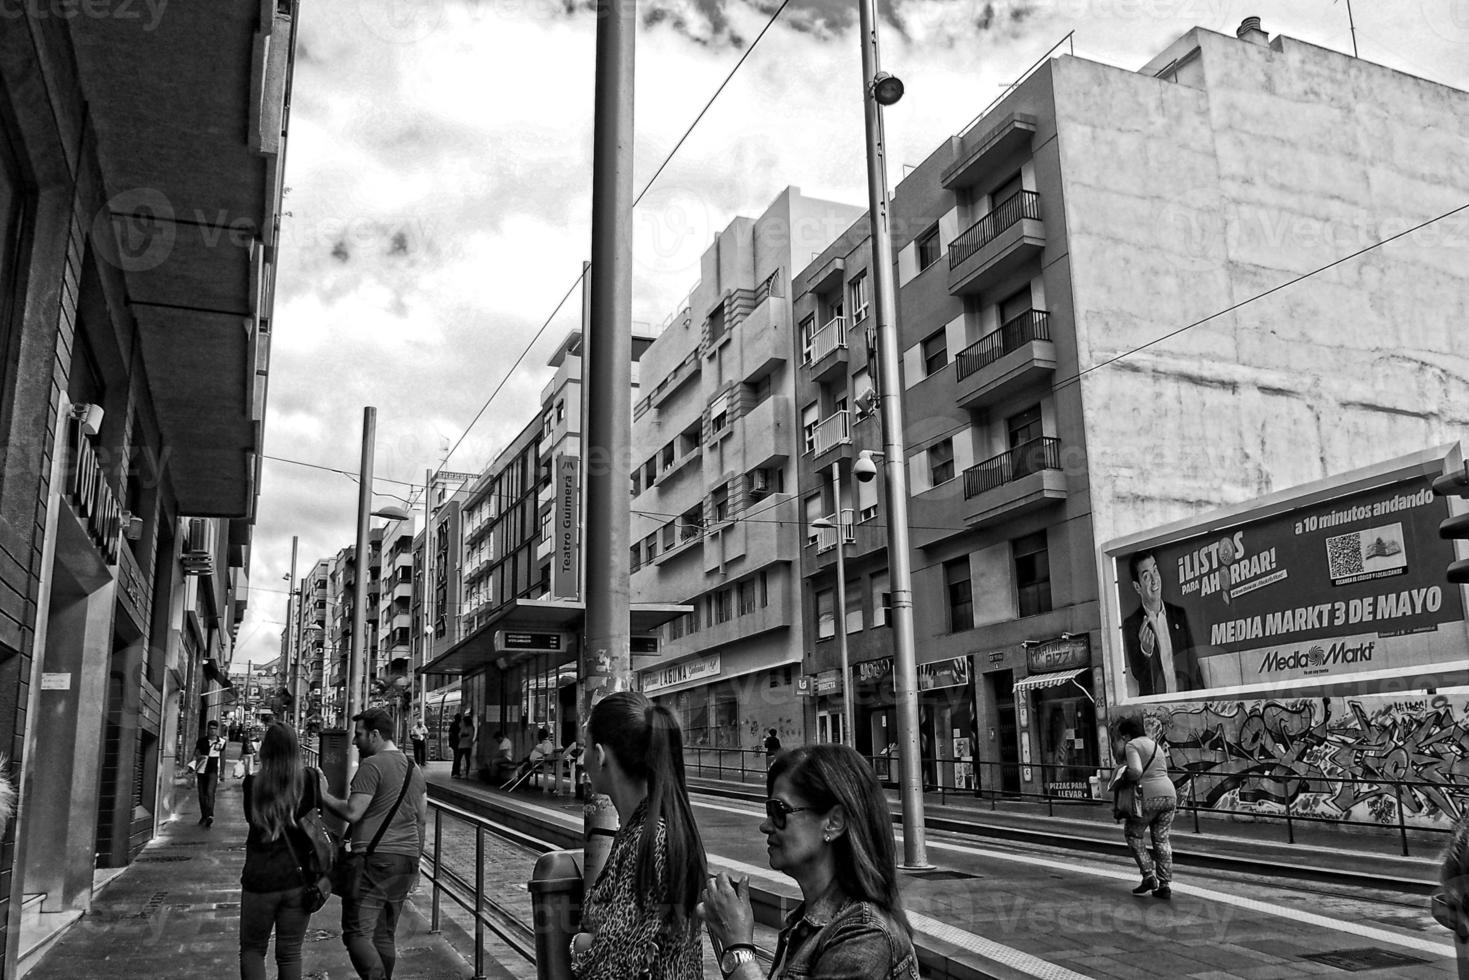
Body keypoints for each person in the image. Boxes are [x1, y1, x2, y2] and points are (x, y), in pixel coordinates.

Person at [702, 744, 918, 979]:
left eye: (778, 811)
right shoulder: (806, 923)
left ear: (834, 822)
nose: (765, 826)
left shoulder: (865, 935)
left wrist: (738, 947)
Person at [568, 691, 706, 979]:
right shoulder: (643, 831)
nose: (581, 761)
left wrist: (578, 945)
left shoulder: (652, 841)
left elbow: (612, 965)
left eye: (585, 749)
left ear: (600, 755)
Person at [320, 707, 427, 980]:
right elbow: (421, 820)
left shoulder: (373, 765)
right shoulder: (414, 769)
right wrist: (416, 863)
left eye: (360, 735)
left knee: (357, 932)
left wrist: (322, 795)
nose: (355, 742)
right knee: (384, 934)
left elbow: (353, 812)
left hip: (375, 861)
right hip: (406, 861)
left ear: (376, 734)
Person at [239, 723, 324, 980]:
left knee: (253, 950)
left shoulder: (252, 784)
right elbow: (321, 813)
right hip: (298, 879)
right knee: (289, 953)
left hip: (259, 880)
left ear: (265, 750)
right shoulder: (310, 779)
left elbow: (251, 820)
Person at [1109, 715, 1177, 900]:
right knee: (1161, 839)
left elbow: (1137, 771)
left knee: (1133, 834)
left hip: (1148, 797)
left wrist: (1123, 777)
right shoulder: (1155, 745)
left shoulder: (1132, 745)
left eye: (1122, 737)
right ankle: (1164, 884)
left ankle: (1148, 875)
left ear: (1126, 735)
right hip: (1169, 795)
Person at [1121, 551, 1201, 696]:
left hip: (1186, 706)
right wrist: (1145, 651)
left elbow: (1193, 664)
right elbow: (1138, 673)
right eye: (1146, 576)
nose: (1154, 580)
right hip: (1156, 712)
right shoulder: (1132, 624)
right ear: (1137, 587)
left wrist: (1204, 705)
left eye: (1155, 570)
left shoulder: (1179, 615)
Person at [193, 719, 227, 827]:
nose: (213, 731)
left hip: (213, 771)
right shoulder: (201, 741)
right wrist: (191, 766)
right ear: (207, 729)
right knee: (202, 795)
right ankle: (204, 815)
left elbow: (222, 757)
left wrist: (222, 772)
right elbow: (196, 754)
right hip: (201, 770)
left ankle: (210, 816)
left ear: (217, 730)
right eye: (211, 729)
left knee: (210, 792)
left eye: (215, 729)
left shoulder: (221, 742)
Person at [447, 713, 463, 777]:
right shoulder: (460, 725)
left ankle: (454, 772)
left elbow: (450, 734)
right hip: (458, 743)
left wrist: (450, 743)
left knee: (456, 758)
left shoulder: (453, 724)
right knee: (457, 758)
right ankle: (456, 772)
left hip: (454, 743)